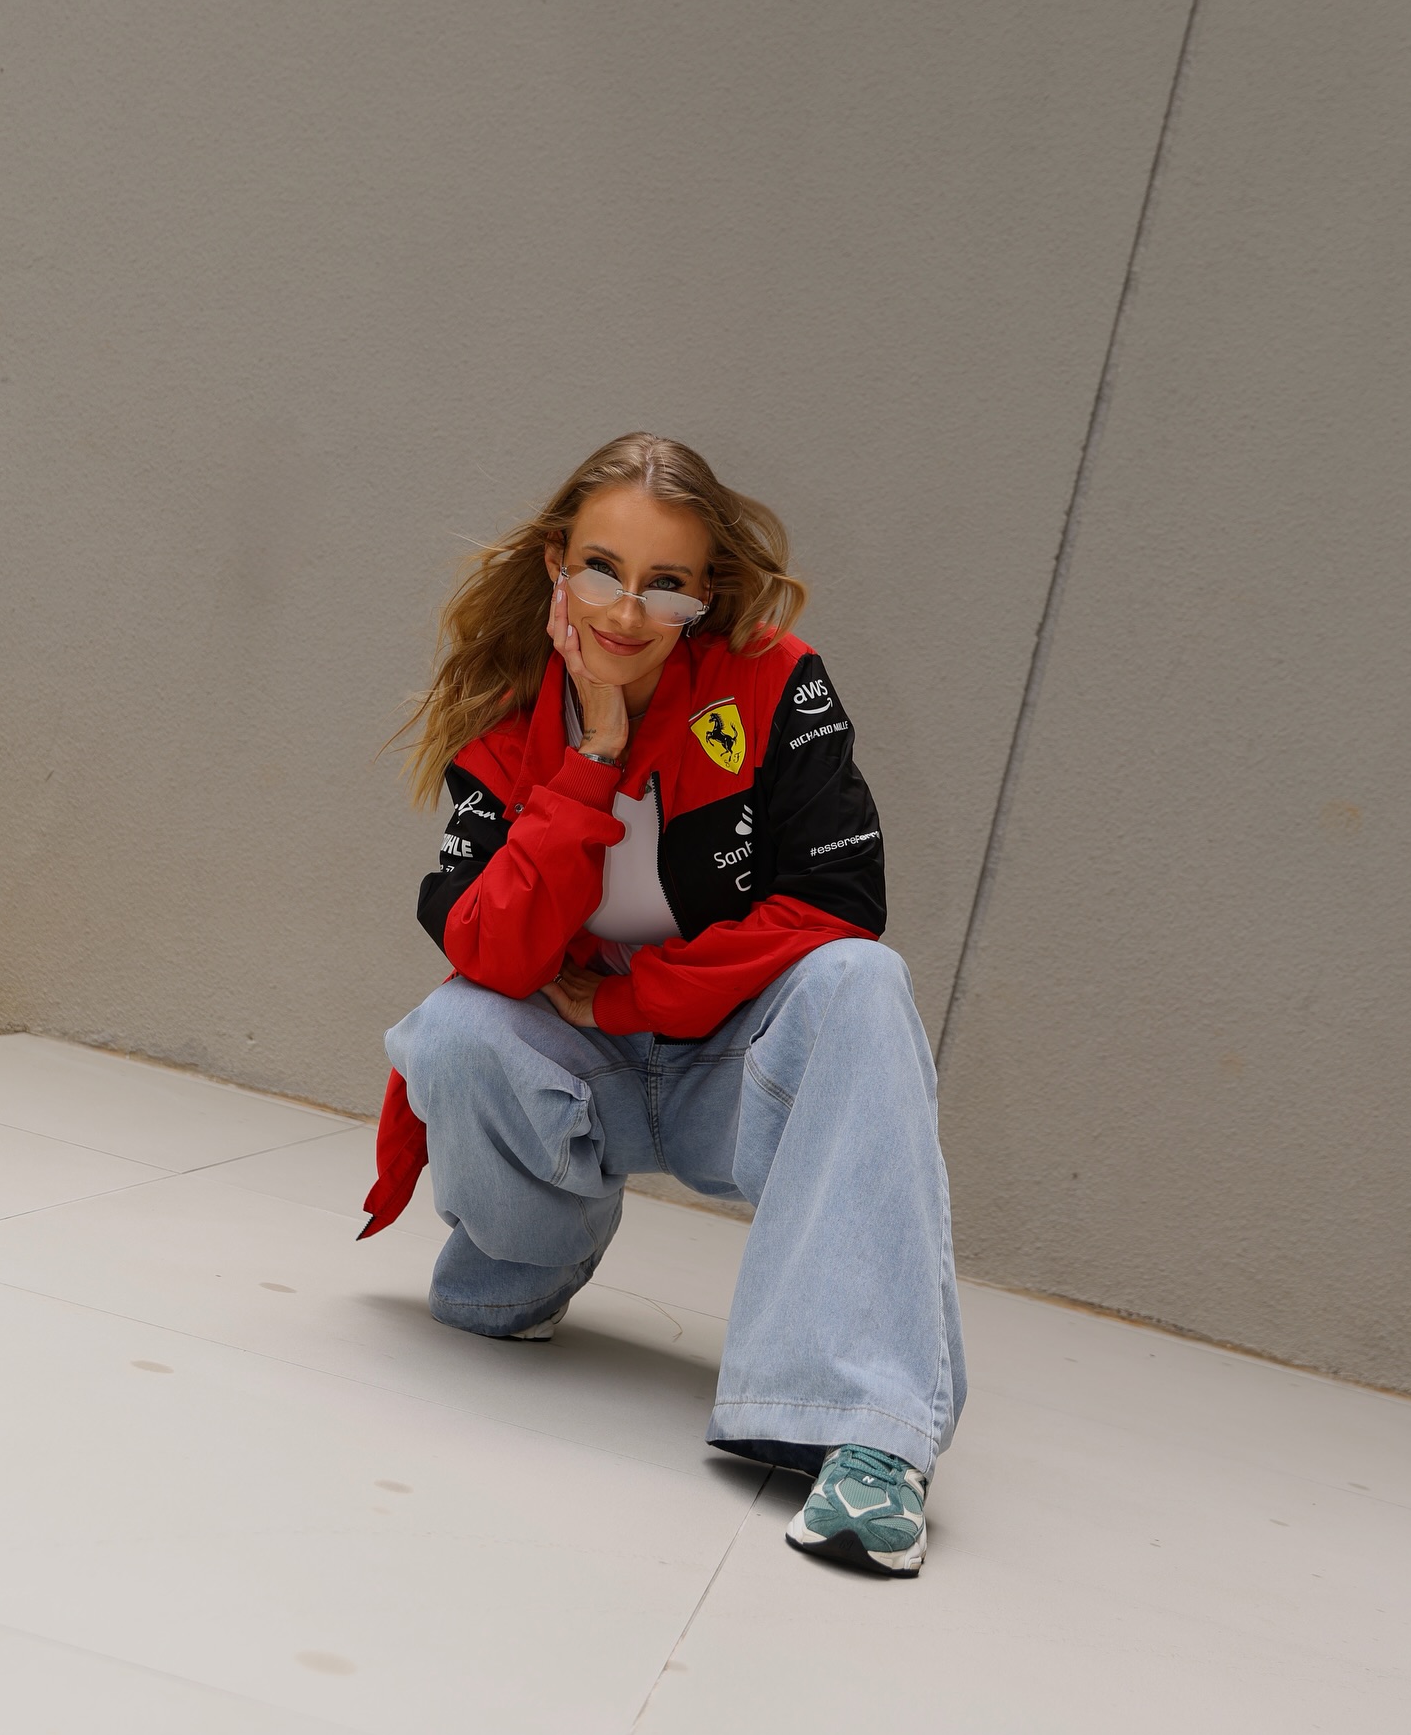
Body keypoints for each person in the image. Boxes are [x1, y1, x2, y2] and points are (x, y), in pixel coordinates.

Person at [362, 433, 965, 1576]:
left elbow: (839, 902)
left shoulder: (776, 682)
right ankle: (523, 1268)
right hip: (580, 1072)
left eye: (666, 583)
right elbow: (490, 948)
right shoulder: (509, 709)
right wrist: (592, 755)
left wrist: (632, 999)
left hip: (724, 1070)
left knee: (863, 985)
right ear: (557, 562)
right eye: (602, 569)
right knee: (455, 1031)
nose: (627, 612)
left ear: (705, 594)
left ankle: (868, 1434)